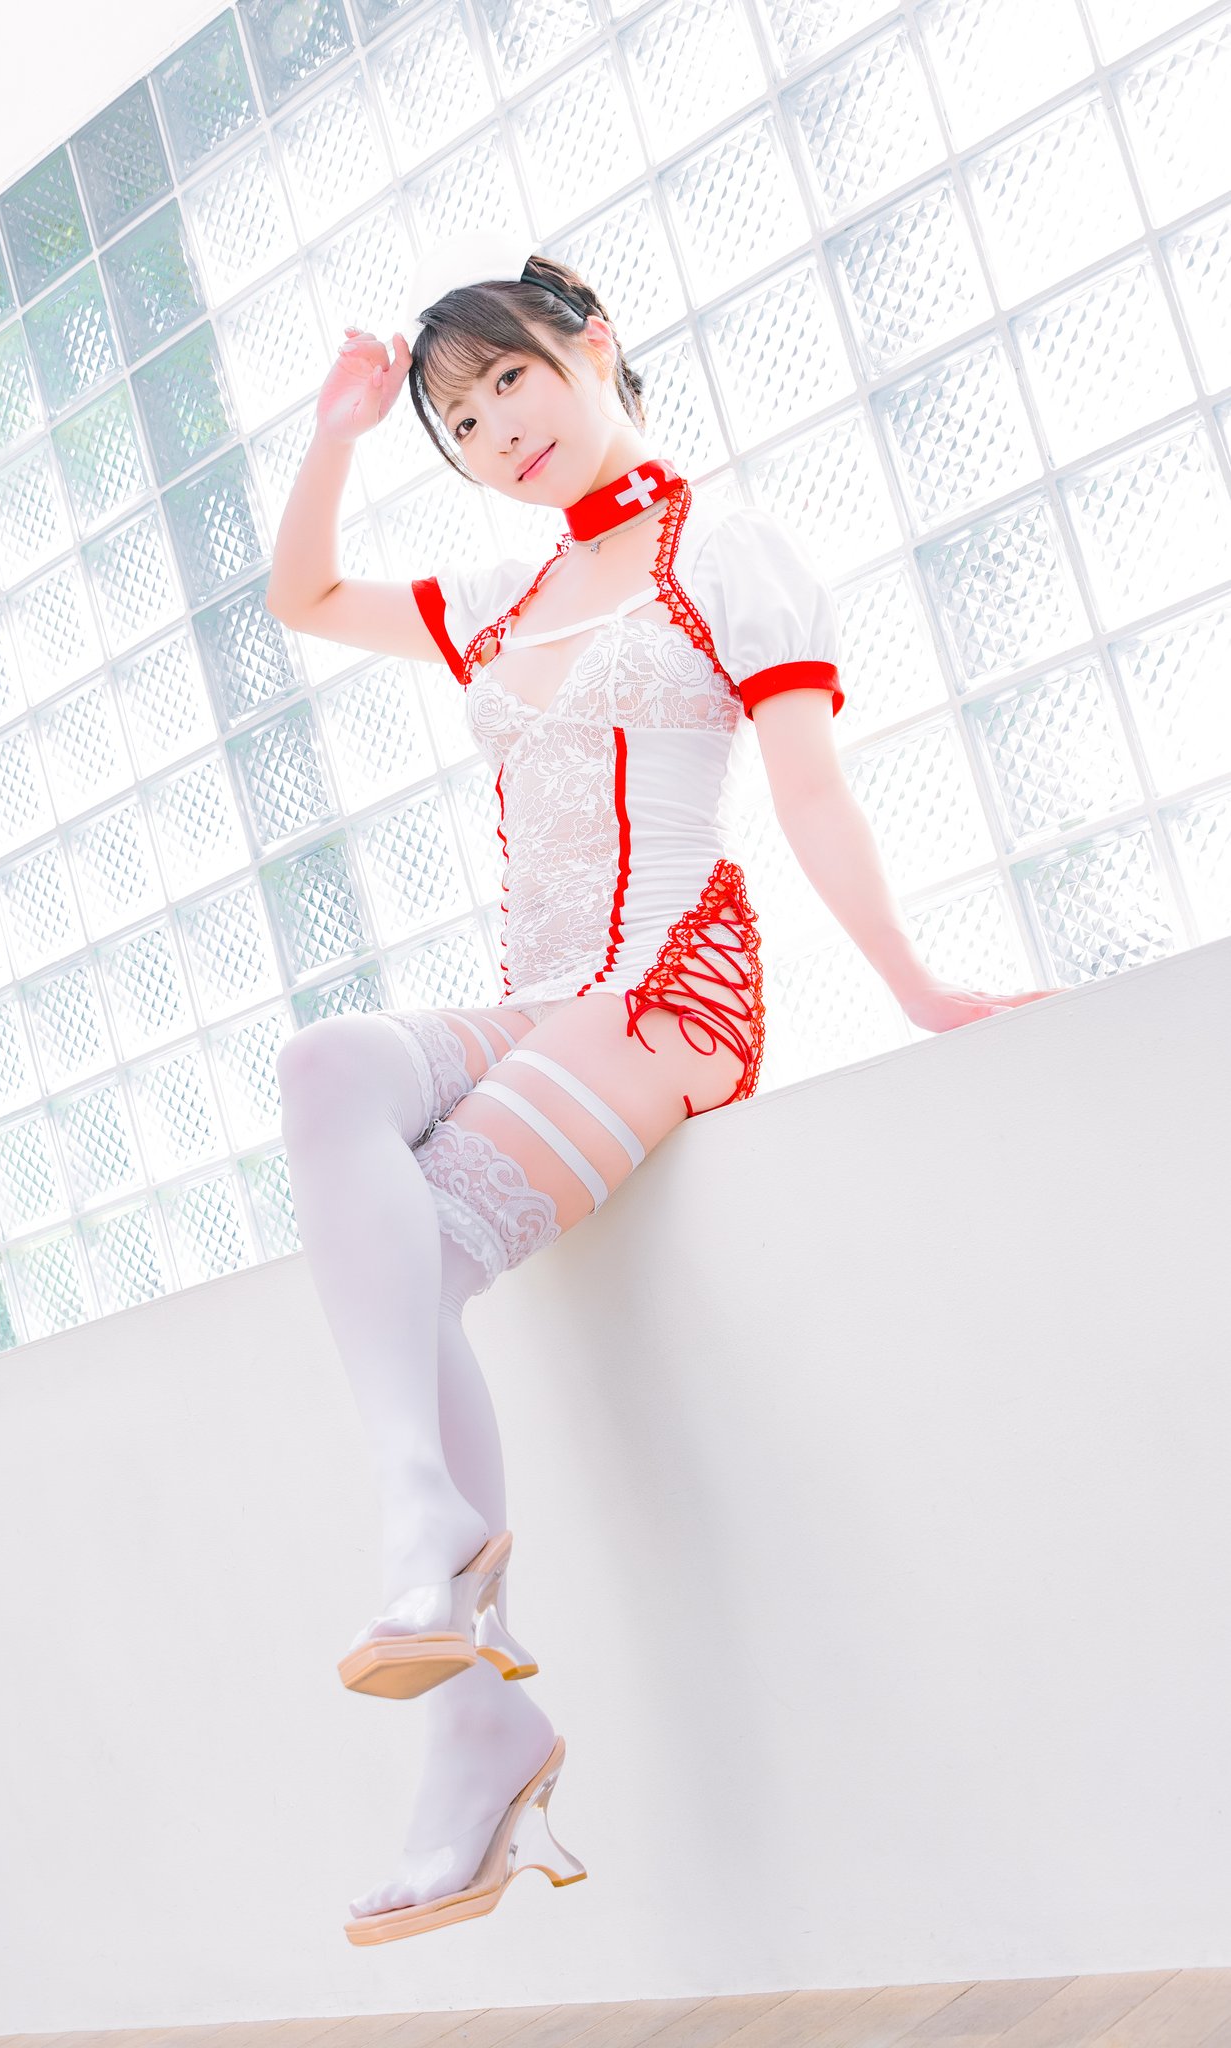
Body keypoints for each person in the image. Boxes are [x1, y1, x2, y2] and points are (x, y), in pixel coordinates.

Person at [264, 229, 1059, 1946]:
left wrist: (915, 981)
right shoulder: (501, 599)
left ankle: (466, 1687)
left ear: (591, 342)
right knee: (324, 1065)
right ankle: (436, 1556)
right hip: (543, 994)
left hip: (675, 982)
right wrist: (335, 433)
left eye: (509, 379)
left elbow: (812, 794)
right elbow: (305, 600)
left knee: (425, 1244)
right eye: (459, 424)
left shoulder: (726, 554)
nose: (496, 430)